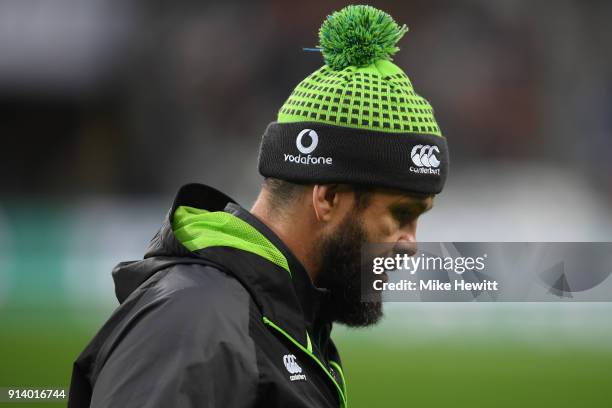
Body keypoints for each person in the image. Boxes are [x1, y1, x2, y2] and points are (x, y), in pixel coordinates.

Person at [68, 5, 449, 407]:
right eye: (402, 214)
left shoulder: (280, 324)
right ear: (329, 197)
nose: (410, 244)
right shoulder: (195, 325)